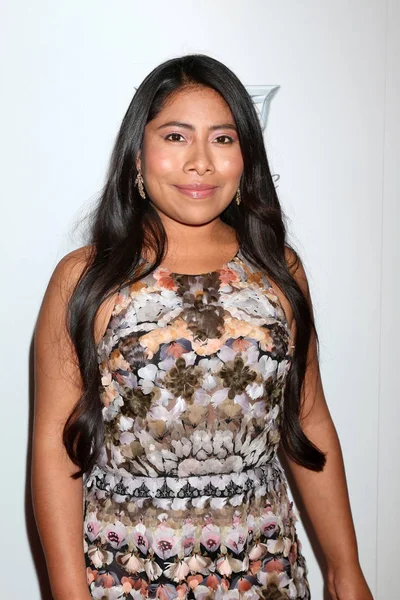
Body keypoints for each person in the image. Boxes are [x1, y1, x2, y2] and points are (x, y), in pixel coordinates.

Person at [32, 54, 373, 600]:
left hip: (264, 570)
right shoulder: (86, 277)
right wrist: (69, 592)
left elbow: (309, 418)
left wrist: (344, 569)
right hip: (126, 573)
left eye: (222, 139)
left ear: (245, 157)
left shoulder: (279, 270)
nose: (200, 162)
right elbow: (56, 447)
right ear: (137, 156)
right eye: (175, 136)